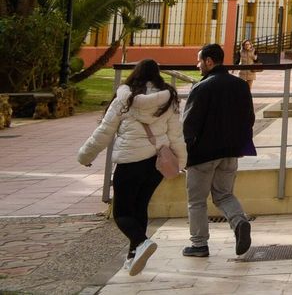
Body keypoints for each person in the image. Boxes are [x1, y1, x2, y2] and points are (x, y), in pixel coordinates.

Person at [77, 59, 187, 278]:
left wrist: (85, 156)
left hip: (129, 162)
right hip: (156, 163)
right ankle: (133, 255)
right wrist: (181, 162)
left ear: (136, 74)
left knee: (121, 213)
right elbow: (176, 134)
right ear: (157, 75)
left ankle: (141, 242)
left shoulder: (124, 99)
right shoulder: (168, 99)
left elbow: (104, 132)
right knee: (139, 208)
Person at [182, 43, 255, 258]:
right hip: (230, 151)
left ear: (209, 61)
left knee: (196, 201)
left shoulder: (201, 87)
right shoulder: (240, 85)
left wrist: (185, 152)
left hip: (202, 154)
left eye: (199, 61)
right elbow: (249, 118)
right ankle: (239, 221)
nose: (197, 65)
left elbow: (189, 124)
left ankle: (199, 244)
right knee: (224, 195)